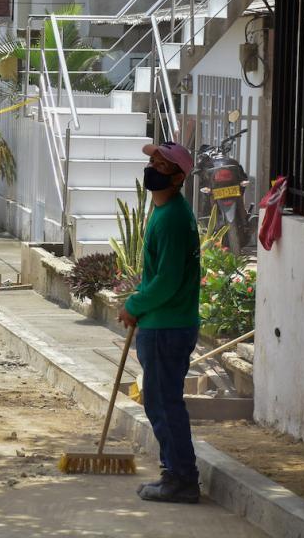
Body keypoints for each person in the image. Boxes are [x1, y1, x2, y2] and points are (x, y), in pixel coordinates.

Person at [118, 141, 202, 504]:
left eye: (161, 164)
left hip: (167, 326)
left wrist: (134, 303)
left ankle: (181, 478)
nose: (152, 167)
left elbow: (166, 281)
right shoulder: (166, 212)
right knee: (161, 401)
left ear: (179, 177)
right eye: (152, 160)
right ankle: (176, 473)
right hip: (164, 323)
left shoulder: (171, 220)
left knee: (164, 403)